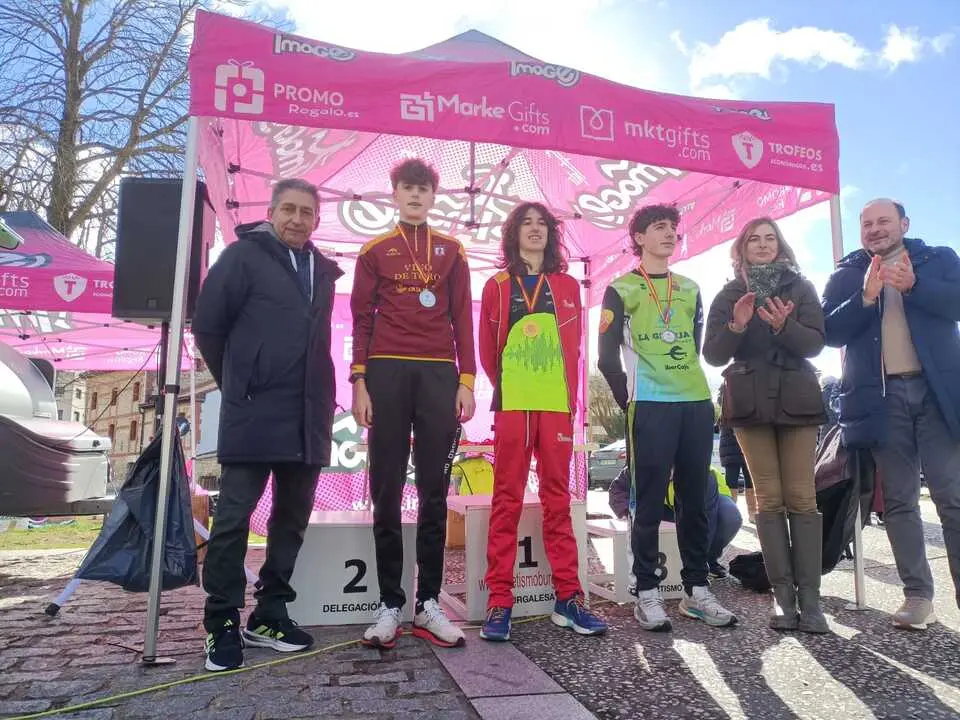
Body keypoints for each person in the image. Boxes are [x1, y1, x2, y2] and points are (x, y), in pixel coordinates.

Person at [192, 178, 343, 672]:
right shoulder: (242, 256)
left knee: (291, 522)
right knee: (234, 519)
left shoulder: (323, 270)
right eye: (289, 210)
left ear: (316, 220)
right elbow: (209, 325)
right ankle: (221, 622)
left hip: (308, 412)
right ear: (272, 213)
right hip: (253, 408)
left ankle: (270, 613)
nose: (298, 219)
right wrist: (240, 379)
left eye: (307, 212)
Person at [350, 158, 476, 648]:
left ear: (433, 195)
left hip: (439, 373)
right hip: (385, 371)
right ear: (395, 194)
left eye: (424, 189)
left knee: (434, 491)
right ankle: (389, 603)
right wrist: (359, 382)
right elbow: (361, 318)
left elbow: (463, 317)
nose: (416, 196)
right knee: (384, 486)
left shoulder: (452, 250)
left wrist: (466, 380)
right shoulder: (375, 250)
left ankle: (427, 602)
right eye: (408, 188)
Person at [598, 203, 737, 631]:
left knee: (696, 498)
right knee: (648, 500)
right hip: (649, 405)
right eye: (659, 228)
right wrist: (631, 402)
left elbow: (693, 348)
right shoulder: (621, 289)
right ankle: (647, 592)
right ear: (638, 237)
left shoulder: (692, 288)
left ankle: (696, 590)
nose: (669, 235)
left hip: (694, 403)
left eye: (673, 229)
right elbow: (607, 359)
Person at [823, 198, 960, 630]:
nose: (875, 229)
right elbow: (830, 332)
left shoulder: (937, 258)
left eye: (884, 221)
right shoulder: (846, 272)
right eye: (867, 223)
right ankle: (918, 597)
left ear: (904, 223)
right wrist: (864, 297)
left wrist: (915, 286)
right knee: (898, 502)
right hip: (880, 401)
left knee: (951, 498)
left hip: (936, 393)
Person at [476, 202, 607, 642]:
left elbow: (577, 349)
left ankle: (568, 598)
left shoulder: (568, 284)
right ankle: (500, 601)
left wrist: (561, 395)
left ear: (552, 234)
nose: (535, 230)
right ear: (513, 233)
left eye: (542, 225)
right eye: (526, 224)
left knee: (557, 501)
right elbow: (486, 352)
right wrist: (514, 386)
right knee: (506, 501)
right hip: (513, 404)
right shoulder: (496, 284)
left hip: (556, 406)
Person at [703, 216, 829, 634]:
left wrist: (783, 326)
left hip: (797, 400)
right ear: (740, 249)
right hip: (750, 403)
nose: (761, 244)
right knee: (769, 499)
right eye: (753, 239)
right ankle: (782, 597)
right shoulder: (729, 293)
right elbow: (714, 354)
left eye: (769, 238)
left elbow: (815, 342)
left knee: (801, 497)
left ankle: (811, 602)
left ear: (780, 245)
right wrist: (737, 324)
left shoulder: (802, 287)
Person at [609, 465, 742, 580]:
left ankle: (709, 561)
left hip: (712, 500)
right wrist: (630, 512)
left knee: (730, 517)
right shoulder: (641, 464)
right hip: (669, 506)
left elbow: (706, 523)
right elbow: (617, 490)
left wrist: (696, 564)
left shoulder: (700, 473)